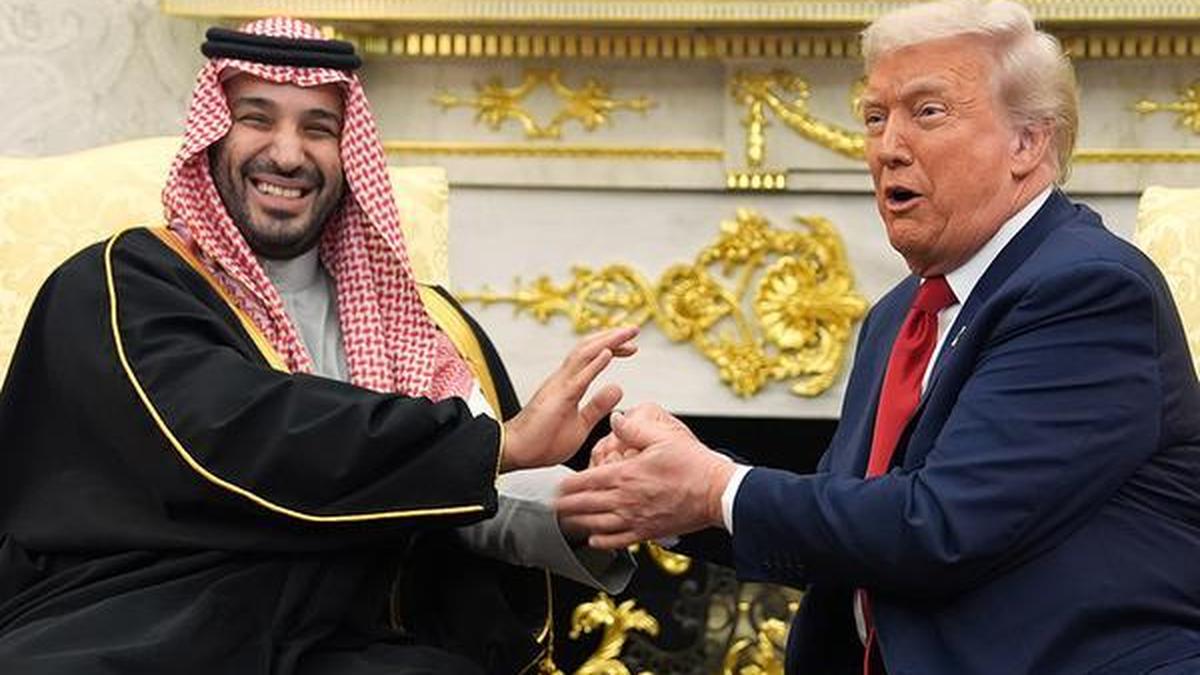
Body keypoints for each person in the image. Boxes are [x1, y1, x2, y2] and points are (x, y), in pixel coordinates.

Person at [557, 1, 1200, 674]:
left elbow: (941, 527)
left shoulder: (1087, 290)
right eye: (874, 117)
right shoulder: (902, 313)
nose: (888, 146)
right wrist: (674, 491)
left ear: (1027, 143)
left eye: (928, 112)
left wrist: (715, 487)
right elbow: (854, 523)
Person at [0, 17, 635, 675]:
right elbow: (242, 432)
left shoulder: (414, 322)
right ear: (213, 134)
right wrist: (496, 446)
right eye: (256, 118)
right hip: (145, 624)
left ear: (347, 150)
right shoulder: (121, 283)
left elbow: (457, 489)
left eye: (318, 128)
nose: (287, 153)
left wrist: (593, 505)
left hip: (336, 640)